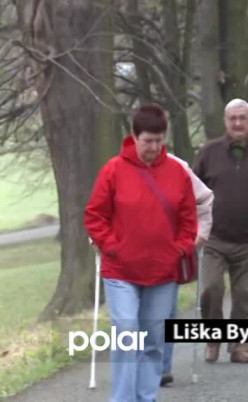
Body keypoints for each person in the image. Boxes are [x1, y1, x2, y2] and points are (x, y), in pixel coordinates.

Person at [84, 103, 198, 402]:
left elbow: (189, 220)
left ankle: (146, 397)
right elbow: (95, 215)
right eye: (148, 140)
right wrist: (112, 246)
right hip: (121, 270)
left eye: (159, 140)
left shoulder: (178, 172)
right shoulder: (113, 170)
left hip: (163, 271)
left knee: (153, 340)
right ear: (134, 137)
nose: (154, 147)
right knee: (126, 331)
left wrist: (179, 249)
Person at [193, 98, 248, 363]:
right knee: (210, 289)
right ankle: (213, 339)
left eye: (243, 118)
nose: (238, 123)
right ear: (225, 121)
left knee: (246, 295)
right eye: (233, 118)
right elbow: (191, 190)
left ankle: (240, 347)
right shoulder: (208, 152)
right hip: (214, 238)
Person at [160, 152, 214, 387]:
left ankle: (161, 367)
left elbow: (203, 198)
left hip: (168, 252)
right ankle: (139, 364)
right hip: (130, 256)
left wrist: (200, 233)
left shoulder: (177, 166)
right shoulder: (120, 168)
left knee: (165, 311)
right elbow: (105, 209)